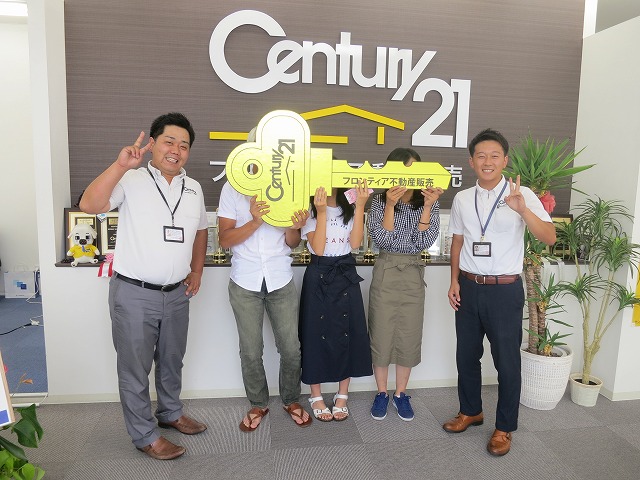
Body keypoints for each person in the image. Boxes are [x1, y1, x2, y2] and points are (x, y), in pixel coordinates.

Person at [79, 112, 209, 460]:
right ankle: (145, 435)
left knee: (172, 360)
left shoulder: (193, 188)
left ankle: (170, 412)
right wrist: (120, 165)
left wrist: (197, 270)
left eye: (184, 145)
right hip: (134, 293)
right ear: (152, 144)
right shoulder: (131, 179)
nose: (176, 150)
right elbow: (89, 205)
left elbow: (200, 230)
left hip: (177, 294)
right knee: (135, 369)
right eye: (169, 142)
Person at [444, 128, 556, 456]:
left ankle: (504, 427)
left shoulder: (522, 194)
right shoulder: (463, 198)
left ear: (505, 160)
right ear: (471, 161)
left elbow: (549, 237)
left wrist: (523, 210)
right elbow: (458, 241)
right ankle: (471, 411)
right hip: (468, 286)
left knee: (506, 362)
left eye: (494, 155)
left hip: (504, 291)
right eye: (481, 155)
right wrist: (453, 281)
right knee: (466, 355)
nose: (487, 161)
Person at [217, 142, 312, 432]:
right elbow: (225, 239)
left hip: (280, 277)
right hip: (244, 280)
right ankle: (258, 403)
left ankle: (291, 399)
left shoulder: (291, 188)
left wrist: (294, 227)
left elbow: (292, 243)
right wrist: (256, 221)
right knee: (250, 350)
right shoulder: (232, 188)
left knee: (291, 349)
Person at [368, 147, 444, 422]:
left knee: (408, 336)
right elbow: (382, 239)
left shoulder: (429, 200)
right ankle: (381, 393)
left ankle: (400, 394)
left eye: (411, 170)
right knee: (381, 333)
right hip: (386, 270)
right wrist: (390, 205)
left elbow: (424, 241)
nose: (405, 176)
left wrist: (428, 206)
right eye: (399, 170)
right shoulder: (379, 201)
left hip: (412, 272)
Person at [299, 182, 373, 422]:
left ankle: (343, 394)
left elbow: (355, 244)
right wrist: (321, 212)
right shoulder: (309, 207)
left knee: (346, 332)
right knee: (315, 334)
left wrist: (360, 206)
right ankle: (316, 394)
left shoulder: (349, 205)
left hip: (345, 271)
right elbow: (318, 248)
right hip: (318, 273)